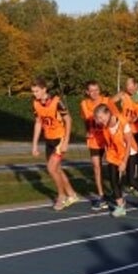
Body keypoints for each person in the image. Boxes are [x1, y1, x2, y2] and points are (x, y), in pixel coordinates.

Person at [30, 77, 81, 210]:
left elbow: (68, 120)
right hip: (49, 140)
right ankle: (72, 194)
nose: (34, 94)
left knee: (51, 169)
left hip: (60, 139)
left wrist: (66, 141)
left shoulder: (57, 102)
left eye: (36, 91)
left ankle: (61, 196)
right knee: (57, 169)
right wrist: (34, 145)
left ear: (44, 89)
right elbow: (38, 123)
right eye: (33, 92)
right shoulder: (35, 103)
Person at [95, 104, 138, 217]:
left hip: (129, 151)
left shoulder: (122, 121)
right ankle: (120, 205)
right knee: (113, 180)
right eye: (98, 118)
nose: (100, 121)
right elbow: (109, 142)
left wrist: (124, 162)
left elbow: (128, 143)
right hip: (114, 153)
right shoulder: (104, 126)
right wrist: (107, 155)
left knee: (131, 180)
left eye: (101, 117)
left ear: (108, 114)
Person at [81, 81, 112, 211]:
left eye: (96, 90)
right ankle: (101, 196)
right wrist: (88, 131)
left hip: (107, 138)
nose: (94, 93)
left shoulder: (107, 101)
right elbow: (86, 120)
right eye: (91, 90)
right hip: (94, 140)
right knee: (96, 167)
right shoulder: (84, 104)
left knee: (112, 165)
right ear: (87, 92)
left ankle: (115, 190)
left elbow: (114, 117)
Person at [115, 77, 138, 183]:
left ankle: (133, 180)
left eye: (130, 86)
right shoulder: (123, 95)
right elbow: (110, 103)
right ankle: (122, 178)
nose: (129, 88)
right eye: (127, 86)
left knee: (135, 157)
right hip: (125, 130)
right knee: (123, 154)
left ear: (136, 85)